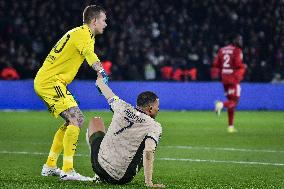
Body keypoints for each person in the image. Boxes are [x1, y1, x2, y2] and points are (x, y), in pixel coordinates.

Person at [34, 5, 109, 181]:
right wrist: (102, 73)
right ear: (94, 21)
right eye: (104, 20)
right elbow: (90, 55)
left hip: (51, 80)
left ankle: (50, 165)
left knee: (72, 120)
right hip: (51, 81)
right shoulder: (83, 34)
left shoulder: (82, 34)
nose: (106, 24)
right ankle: (67, 169)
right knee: (76, 118)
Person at [86, 74, 165, 188]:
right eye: (157, 106)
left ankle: (98, 176)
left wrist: (100, 79)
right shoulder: (154, 126)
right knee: (144, 144)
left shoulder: (121, 106)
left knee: (95, 121)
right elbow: (148, 151)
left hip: (98, 165)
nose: (158, 109)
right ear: (150, 108)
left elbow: (105, 91)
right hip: (121, 177)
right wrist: (149, 183)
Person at [211, 34, 246, 133]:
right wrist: (243, 67)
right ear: (235, 41)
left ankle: (230, 127)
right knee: (234, 102)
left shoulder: (222, 50)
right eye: (240, 40)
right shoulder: (237, 51)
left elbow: (216, 64)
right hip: (233, 78)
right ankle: (220, 104)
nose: (241, 42)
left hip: (224, 78)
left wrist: (216, 74)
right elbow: (238, 64)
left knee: (231, 102)